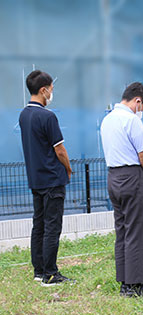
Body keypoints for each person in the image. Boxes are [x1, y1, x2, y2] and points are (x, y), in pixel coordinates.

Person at [100, 82, 143, 298]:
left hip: (113, 176)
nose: (141, 110)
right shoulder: (131, 120)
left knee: (122, 230)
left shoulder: (107, 119)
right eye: (142, 106)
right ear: (137, 100)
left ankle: (125, 281)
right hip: (132, 176)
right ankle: (136, 284)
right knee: (137, 230)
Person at [19, 70, 74, 286]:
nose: (52, 92)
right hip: (52, 178)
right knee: (52, 226)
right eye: (51, 89)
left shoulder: (23, 115)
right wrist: (68, 169)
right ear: (43, 90)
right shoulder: (48, 116)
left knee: (38, 225)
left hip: (36, 178)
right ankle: (51, 273)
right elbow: (59, 150)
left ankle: (39, 270)